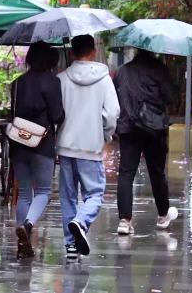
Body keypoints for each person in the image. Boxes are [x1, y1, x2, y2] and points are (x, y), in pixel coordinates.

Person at [56, 34, 120, 258]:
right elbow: (112, 113)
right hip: (91, 147)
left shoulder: (61, 78)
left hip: (65, 146)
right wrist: (105, 134)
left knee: (68, 196)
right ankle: (81, 223)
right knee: (94, 193)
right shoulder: (104, 79)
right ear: (93, 51)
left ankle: (71, 246)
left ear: (72, 52)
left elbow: (56, 113)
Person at [113, 50, 178, 235]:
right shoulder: (159, 69)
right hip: (154, 128)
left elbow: (115, 97)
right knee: (157, 172)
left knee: (126, 173)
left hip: (128, 127)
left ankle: (125, 221)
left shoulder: (123, 71)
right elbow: (171, 97)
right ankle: (163, 215)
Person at [9, 42, 65, 259]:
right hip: (42, 143)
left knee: (24, 193)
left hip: (18, 143)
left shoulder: (17, 83)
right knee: (42, 191)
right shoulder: (53, 82)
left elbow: (12, 112)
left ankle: (22, 243)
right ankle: (28, 225)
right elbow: (57, 115)